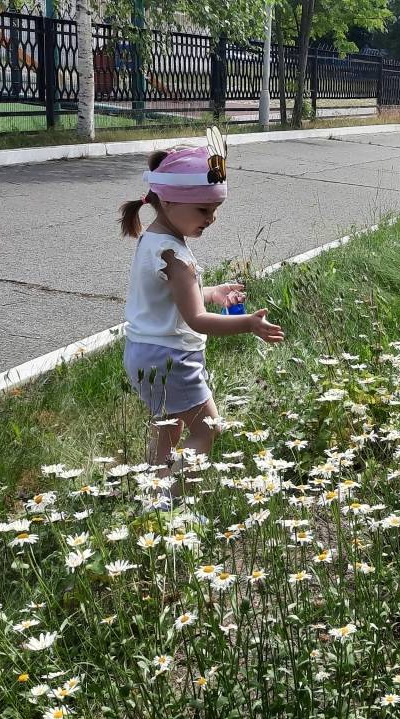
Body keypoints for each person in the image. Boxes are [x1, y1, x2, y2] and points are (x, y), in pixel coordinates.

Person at [118, 141, 284, 503]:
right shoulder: (177, 256)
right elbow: (196, 320)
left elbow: (173, 298)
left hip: (143, 352)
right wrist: (248, 325)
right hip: (173, 358)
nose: (211, 218)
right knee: (207, 430)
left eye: (215, 209)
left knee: (167, 428)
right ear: (170, 201)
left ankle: (152, 495)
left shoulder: (153, 240)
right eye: (203, 208)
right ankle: (171, 505)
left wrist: (211, 293)